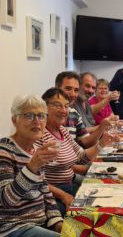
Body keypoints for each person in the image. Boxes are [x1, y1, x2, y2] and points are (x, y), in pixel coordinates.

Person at [35, 88, 117, 216]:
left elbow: (82, 157)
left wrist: (102, 144)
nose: (63, 110)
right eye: (57, 105)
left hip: (69, 186)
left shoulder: (62, 130)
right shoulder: (40, 135)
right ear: (44, 107)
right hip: (53, 195)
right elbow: (37, 179)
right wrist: (64, 196)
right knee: (96, 214)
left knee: (111, 196)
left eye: (66, 106)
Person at [0, 94, 62, 237]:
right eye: (29, 116)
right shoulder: (4, 151)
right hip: (13, 227)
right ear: (14, 120)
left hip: (40, 221)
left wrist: (57, 221)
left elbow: (45, 190)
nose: (37, 121)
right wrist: (32, 167)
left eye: (41, 116)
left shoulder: (35, 149)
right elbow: (6, 200)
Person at [55, 71, 110, 148]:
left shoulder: (73, 113)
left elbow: (85, 142)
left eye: (76, 90)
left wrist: (102, 142)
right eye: (68, 88)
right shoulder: (47, 113)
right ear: (56, 89)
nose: (73, 94)